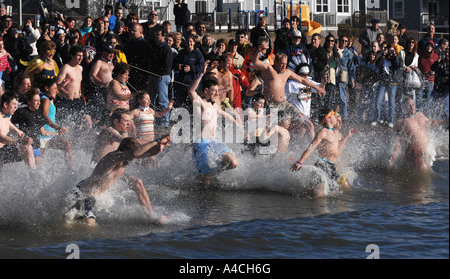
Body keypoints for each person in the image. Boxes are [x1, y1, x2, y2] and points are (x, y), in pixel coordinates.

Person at [64, 134, 171, 227]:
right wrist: (156, 141)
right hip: (84, 196)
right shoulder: (112, 157)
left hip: (95, 197)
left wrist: (160, 146)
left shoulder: (124, 159)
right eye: (132, 154)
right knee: (91, 230)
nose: (133, 159)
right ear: (126, 151)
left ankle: (150, 218)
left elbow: (147, 153)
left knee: (137, 182)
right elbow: (134, 154)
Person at [188, 61, 240, 186]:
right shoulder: (200, 103)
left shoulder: (215, 106)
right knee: (205, 184)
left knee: (233, 162)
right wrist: (201, 73)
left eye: (218, 91)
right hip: (202, 144)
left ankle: (213, 173)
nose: (218, 94)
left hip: (215, 142)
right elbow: (191, 91)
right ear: (206, 91)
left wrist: (240, 126)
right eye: (214, 91)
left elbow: (229, 117)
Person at [290, 108, 357, 197]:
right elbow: (311, 148)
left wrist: (348, 136)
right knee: (319, 194)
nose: (335, 116)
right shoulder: (323, 132)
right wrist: (300, 161)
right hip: (322, 164)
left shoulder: (333, 132)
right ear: (328, 119)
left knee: (333, 194)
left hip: (332, 166)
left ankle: (307, 188)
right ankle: (305, 192)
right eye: (333, 114)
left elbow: (337, 148)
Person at [388, 96, 448, 170]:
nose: (412, 107)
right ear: (404, 108)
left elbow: (432, 122)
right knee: (422, 175)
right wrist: (394, 154)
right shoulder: (401, 122)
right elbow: (398, 141)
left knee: (425, 174)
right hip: (413, 153)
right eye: (409, 105)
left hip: (425, 151)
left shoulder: (420, 115)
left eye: (413, 104)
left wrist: (446, 121)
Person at [11, 89, 68, 166]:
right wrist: (17, 134)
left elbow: (48, 122)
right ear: (29, 101)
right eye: (36, 101)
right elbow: (9, 122)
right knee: (38, 167)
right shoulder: (21, 111)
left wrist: (59, 128)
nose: (39, 103)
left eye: (39, 100)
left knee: (39, 168)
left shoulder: (38, 112)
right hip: (27, 146)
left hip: (36, 146)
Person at [39, 78, 73, 169]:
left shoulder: (48, 98)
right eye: (54, 89)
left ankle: (69, 170)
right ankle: (69, 170)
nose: (57, 91)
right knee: (38, 162)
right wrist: (57, 127)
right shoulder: (45, 100)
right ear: (46, 88)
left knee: (67, 146)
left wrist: (61, 85)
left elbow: (54, 89)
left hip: (51, 135)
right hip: (42, 136)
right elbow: (44, 117)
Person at [0, 91, 35, 171]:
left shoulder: (7, 114)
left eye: (17, 104)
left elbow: (7, 122)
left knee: (27, 147)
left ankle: (33, 174)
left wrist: (17, 130)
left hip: (4, 149)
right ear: (5, 104)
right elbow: (1, 137)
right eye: (14, 104)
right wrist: (19, 141)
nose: (16, 107)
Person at [147, 26, 173, 129]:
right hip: (153, 76)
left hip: (162, 77)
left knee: (163, 101)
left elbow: (167, 65)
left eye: (157, 34)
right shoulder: (154, 46)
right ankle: (151, 121)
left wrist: (156, 71)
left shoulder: (167, 49)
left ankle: (164, 123)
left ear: (163, 36)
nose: (155, 36)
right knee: (150, 100)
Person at [372, 44, 403, 127]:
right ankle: (377, 119)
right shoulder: (383, 58)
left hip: (393, 83)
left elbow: (398, 65)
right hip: (383, 82)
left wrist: (395, 55)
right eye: (389, 50)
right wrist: (383, 55)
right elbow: (377, 65)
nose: (390, 52)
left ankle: (391, 120)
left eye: (392, 50)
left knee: (391, 102)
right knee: (378, 101)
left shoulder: (396, 58)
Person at [172, 35, 205, 108]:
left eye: (191, 41)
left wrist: (191, 68)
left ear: (194, 42)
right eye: (187, 41)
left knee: (192, 103)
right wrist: (178, 66)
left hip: (192, 82)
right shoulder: (181, 53)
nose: (189, 43)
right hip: (182, 81)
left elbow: (201, 66)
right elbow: (175, 63)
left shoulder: (198, 54)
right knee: (181, 102)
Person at [87, 43, 115, 125]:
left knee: (108, 112)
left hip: (110, 91)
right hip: (99, 90)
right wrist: (102, 82)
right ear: (104, 53)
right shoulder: (98, 62)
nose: (112, 55)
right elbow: (92, 75)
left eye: (112, 53)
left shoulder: (112, 64)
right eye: (110, 53)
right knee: (98, 112)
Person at [124, 23, 151, 92]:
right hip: (130, 72)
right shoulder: (129, 43)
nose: (131, 32)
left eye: (134, 31)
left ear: (140, 32)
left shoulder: (145, 45)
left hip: (140, 74)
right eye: (131, 30)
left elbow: (147, 61)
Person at [335, 34, 355, 121]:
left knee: (342, 96)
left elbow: (351, 67)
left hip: (342, 75)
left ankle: (344, 117)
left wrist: (352, 79)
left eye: (346, 41)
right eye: (342, 40)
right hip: (333, 74)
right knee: (333, 96)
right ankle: (333, 115)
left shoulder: (349, 53)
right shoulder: (335, 50)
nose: (344, 42)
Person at [418, 40, 439, 112]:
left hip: (430, 80)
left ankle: (427, 114)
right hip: (421, 79)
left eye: (431, 46)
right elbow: (418, 66)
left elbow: (437, 68)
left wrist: (432, 72)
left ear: (433, 48)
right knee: (419, 97)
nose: (429, 47)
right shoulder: (421, 55)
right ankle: (418, 113)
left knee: (428, 98)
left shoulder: (435, 56)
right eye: (428, 45)